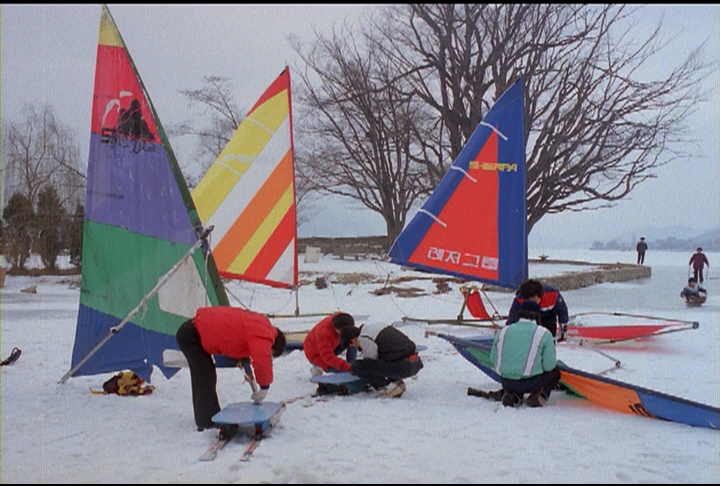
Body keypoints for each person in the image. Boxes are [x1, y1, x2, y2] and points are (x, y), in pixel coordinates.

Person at [175, 306, 287, 432]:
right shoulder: (264, 336)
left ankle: (209, 418)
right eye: (271, 353)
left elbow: (242, 348)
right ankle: (206, 422)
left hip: (192, 330)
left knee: (205, 373)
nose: (269, 354)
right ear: (273, 344)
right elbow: (262, 360)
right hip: (191, 336)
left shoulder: (260, 325)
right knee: (205, 375)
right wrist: (264, 387)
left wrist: (252, 381)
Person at [491, 300, 561, 408]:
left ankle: (513, 395)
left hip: (506, 381)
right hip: (531, 383)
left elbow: (493, 359)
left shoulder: (503, 331)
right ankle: (538, 396)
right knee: (555, 373)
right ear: (537, 315)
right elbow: (549, 365)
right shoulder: (544, 333)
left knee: (517, 379)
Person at [339, 322, 424, 398]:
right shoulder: (374, 327)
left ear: (352, 341)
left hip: (405, 366)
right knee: (382, 355)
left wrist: (354, 369)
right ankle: (396, 382)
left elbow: (371, 363)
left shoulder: (364, 338)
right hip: (413, 362)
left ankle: (389, 387)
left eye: (353, 346)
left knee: (358, 366)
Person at [303, 312, 357, 377]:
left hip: (333, 344)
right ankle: (317, 368)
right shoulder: (324, 333)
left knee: (352, 341)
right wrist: (347, 368)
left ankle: (352, 365)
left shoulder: (343, 318)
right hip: (316, 354)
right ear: (337, 330)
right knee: (340, 369)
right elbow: (329, 358)